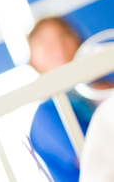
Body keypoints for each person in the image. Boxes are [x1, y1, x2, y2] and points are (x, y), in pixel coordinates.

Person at [26, 17, 113, 182]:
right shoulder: (45, 115)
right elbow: (95, 158)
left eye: (64, 34)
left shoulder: (104, 87)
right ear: (33, 60)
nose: (57, 44)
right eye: (44, 41)